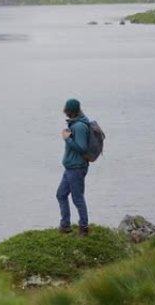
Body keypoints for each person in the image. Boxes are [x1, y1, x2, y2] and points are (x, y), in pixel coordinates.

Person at [57, 98, 90, 236]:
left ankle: (84, 227)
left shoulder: (79, 127)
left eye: (67, 111)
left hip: (77, 168)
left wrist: (67, 139)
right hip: (70, 167)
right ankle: (65, 225)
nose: (65, 114)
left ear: (71, 112)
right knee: (61, 194)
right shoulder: (75, 124)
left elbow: (82, 147)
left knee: (77, 198)